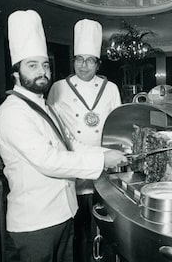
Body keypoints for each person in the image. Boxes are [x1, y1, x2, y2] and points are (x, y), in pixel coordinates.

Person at [0, 10, 127, 262]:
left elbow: (71, 144)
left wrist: (107, 153)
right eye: (32, 65)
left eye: (45, 64)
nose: (42, 71)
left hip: (62, 213)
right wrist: (101, 162)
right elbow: (49, 160)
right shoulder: (12, 113)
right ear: (15, 73)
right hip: (35, 223)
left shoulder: (44, 107)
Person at [47, 18, 121, 262]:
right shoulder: (58, 87)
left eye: (90, 60)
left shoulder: (111, 89)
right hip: (73, 168)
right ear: (74, 61)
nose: (84, 65)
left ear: (98, 64)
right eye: (79, 59)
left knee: (102, 226)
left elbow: (117, 126)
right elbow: (51, 130)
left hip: (103, 167)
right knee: (76, 228)